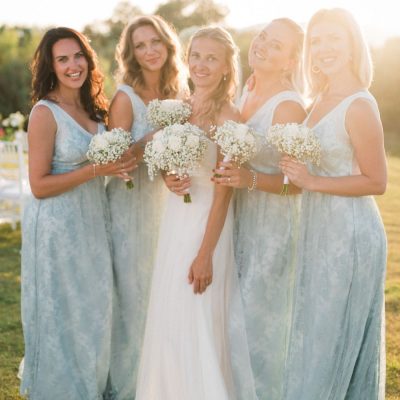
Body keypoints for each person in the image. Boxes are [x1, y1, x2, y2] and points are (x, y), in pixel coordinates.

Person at [135, 26, 256, 400]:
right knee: (171, 317)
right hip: (176, 221)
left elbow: (224, 193)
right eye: (196, 55)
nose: (201, 64)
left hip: (207, 226)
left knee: (197, 316)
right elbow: (173, 161)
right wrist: (169, 177)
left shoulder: (228, 116)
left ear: (225, 68)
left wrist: (205, 254)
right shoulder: (181, 107)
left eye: (211, 58)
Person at [20, 27, 135, 399]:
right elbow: (38, 184)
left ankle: (90, 385)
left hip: (92, 223)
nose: (73, 66)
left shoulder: (93, 108)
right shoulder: (44, 113)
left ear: (88, 58)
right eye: (63, 59)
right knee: (62, 314)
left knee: (94, 308)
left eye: (78, 56)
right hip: (56, 229)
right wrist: (94, 171)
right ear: (51, 67)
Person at [280, 8, 387, 400]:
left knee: (333, 332)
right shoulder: (320, 97)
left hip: (350, 234)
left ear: (352, 45)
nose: (324, 49)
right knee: (316, 330)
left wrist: (312, 180)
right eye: (317, 41)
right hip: (318, 226)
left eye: (334, 40)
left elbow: (377, 181)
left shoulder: (359, 104)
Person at [212, 18, 306, 400]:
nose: (264, 45)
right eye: (264, 37)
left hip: (272, 231)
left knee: (255, 329)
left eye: (277, 45)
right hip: (240, 223)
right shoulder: (244, 91)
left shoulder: (288, 107)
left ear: (290, 61)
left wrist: (247, 179)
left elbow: (297, 183)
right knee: (230, 324)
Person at [105, 15, 188, 399]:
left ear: (167, 44)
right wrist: (154, 139)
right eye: (140, 45)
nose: (149, 50)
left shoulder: (180, 92)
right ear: (131, 54)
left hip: (168, 207)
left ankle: (161, 382)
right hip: (131, 207)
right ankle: (128, 387)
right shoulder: (125, 97)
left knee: (165, 296)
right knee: (135, 298)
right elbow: (117, 162)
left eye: (155, 41)